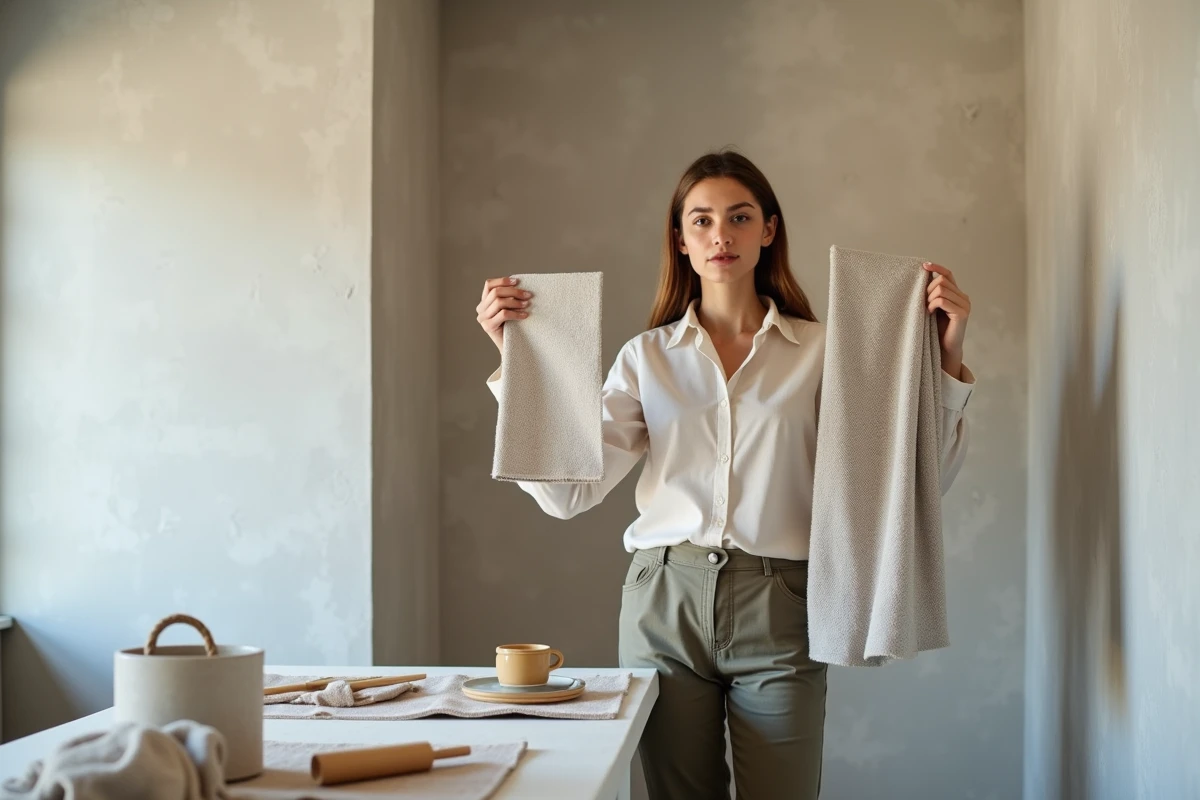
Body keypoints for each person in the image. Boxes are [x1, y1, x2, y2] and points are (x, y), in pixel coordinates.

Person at [475, 150, 975, 800]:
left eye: (739, 217)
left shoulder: (825, 352)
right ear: (680, 241)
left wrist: (947, 356)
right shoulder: (647, 358)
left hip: (783, 604)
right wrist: (519, 363)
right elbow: (567, 492)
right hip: (662, 601)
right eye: (702, 220)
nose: (721, 235)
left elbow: (912, 483)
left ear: (768, 229)